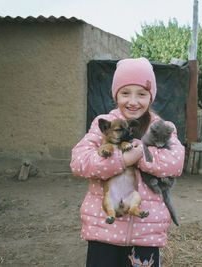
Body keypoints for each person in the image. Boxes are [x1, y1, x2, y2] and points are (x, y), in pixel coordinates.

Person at [70, 57, 185, 267]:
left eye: (141, 94)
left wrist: (140, 156)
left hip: (145, 232)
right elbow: (79, 161)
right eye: (125, 93)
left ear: (151, 97)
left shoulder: (163, 127)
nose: (133, 101)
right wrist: (121, 160)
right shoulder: (103, 124)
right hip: (104, 230)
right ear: (116, 95)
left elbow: (175, 163)